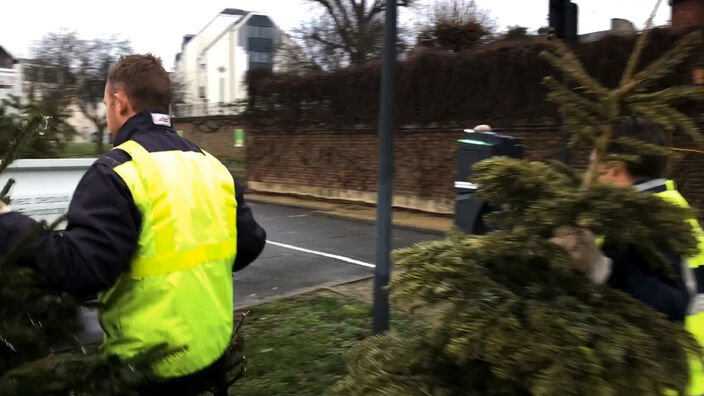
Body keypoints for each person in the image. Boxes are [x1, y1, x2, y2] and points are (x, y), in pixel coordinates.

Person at [0, 54, 267, 395]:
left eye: (106, 105)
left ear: (121, 103)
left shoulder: (118, 172)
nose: (107, 115)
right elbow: (249, 244)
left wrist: (6, 222)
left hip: (146, 369)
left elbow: (79, 271)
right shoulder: (212, 166)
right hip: (211, 355)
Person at [550, 116, 704, 394]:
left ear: (614, 168)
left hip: (661, 383)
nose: (589, 174)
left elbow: (672, 304)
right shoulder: (663, 209)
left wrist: (602, 268)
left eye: (593, 164)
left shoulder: (651, 220)